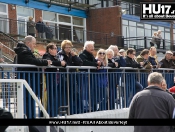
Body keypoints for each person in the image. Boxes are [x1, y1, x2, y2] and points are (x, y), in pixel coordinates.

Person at [14, 35, 52, 118]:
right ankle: (28, 116)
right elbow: (31, 61)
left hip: (29, 78)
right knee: (27, 99)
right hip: (27, 78)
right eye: (34, 44)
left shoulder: (24, 50)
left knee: (29, 99)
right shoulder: (23, 51)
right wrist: (45, 62)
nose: (35, 46)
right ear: (28, 43)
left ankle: (30, 116)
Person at [57, 40, 83, 114]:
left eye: (70, 47)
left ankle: (76, 110)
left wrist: (74, 56)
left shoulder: (72, 55)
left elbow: (80, 63)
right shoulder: (60, 54)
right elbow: (62, 64)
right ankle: (66, 111)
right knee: (66, 95)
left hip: (72, 77)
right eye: (67, 47)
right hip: (64, 77)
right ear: (63, 47)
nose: (68, 48)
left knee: (75, 94)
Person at [42, 43, 66, 117]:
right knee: (50, 98)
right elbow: (49, 63)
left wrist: (62, 63)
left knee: (55, 97)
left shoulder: (55, 57)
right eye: (55, 48)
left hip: (56, 80)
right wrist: (60, 63)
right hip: (50, 80)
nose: (56, 50)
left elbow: (63, 64)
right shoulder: (46, 55)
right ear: (50, 50)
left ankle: (54, 113)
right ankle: (49, 113)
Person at [79, 41, 101, 112]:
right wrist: (95, 64)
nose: (93, 48)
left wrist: (98, 64)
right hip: (85, 77)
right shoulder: (82, 55)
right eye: (91, 47)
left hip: (92, 77)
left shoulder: (91, 55)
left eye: (93, 47)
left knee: (93, 93)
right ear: (86, 47)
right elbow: (85, 63)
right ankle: (85, 108)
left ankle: (94, 108)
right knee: (86, 93)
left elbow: (95, 63)